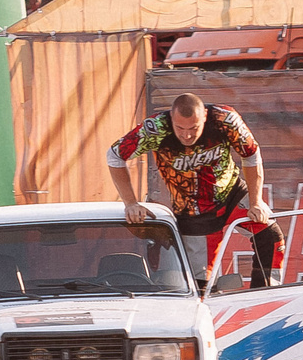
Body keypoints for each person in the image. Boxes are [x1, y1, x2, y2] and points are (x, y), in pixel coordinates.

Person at [107, 92, 281, 288]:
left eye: (194, 128)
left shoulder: (225, 119)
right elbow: (114, 156)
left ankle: (265, 294)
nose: (187, 135)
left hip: (232, 193)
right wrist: (130, 202)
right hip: (193, 210)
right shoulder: (156, 128)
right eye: (180, 128)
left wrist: (256, 201)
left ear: (205, 117)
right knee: (201, 285)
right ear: (171, 118)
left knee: (271, 235)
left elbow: (252, 154)